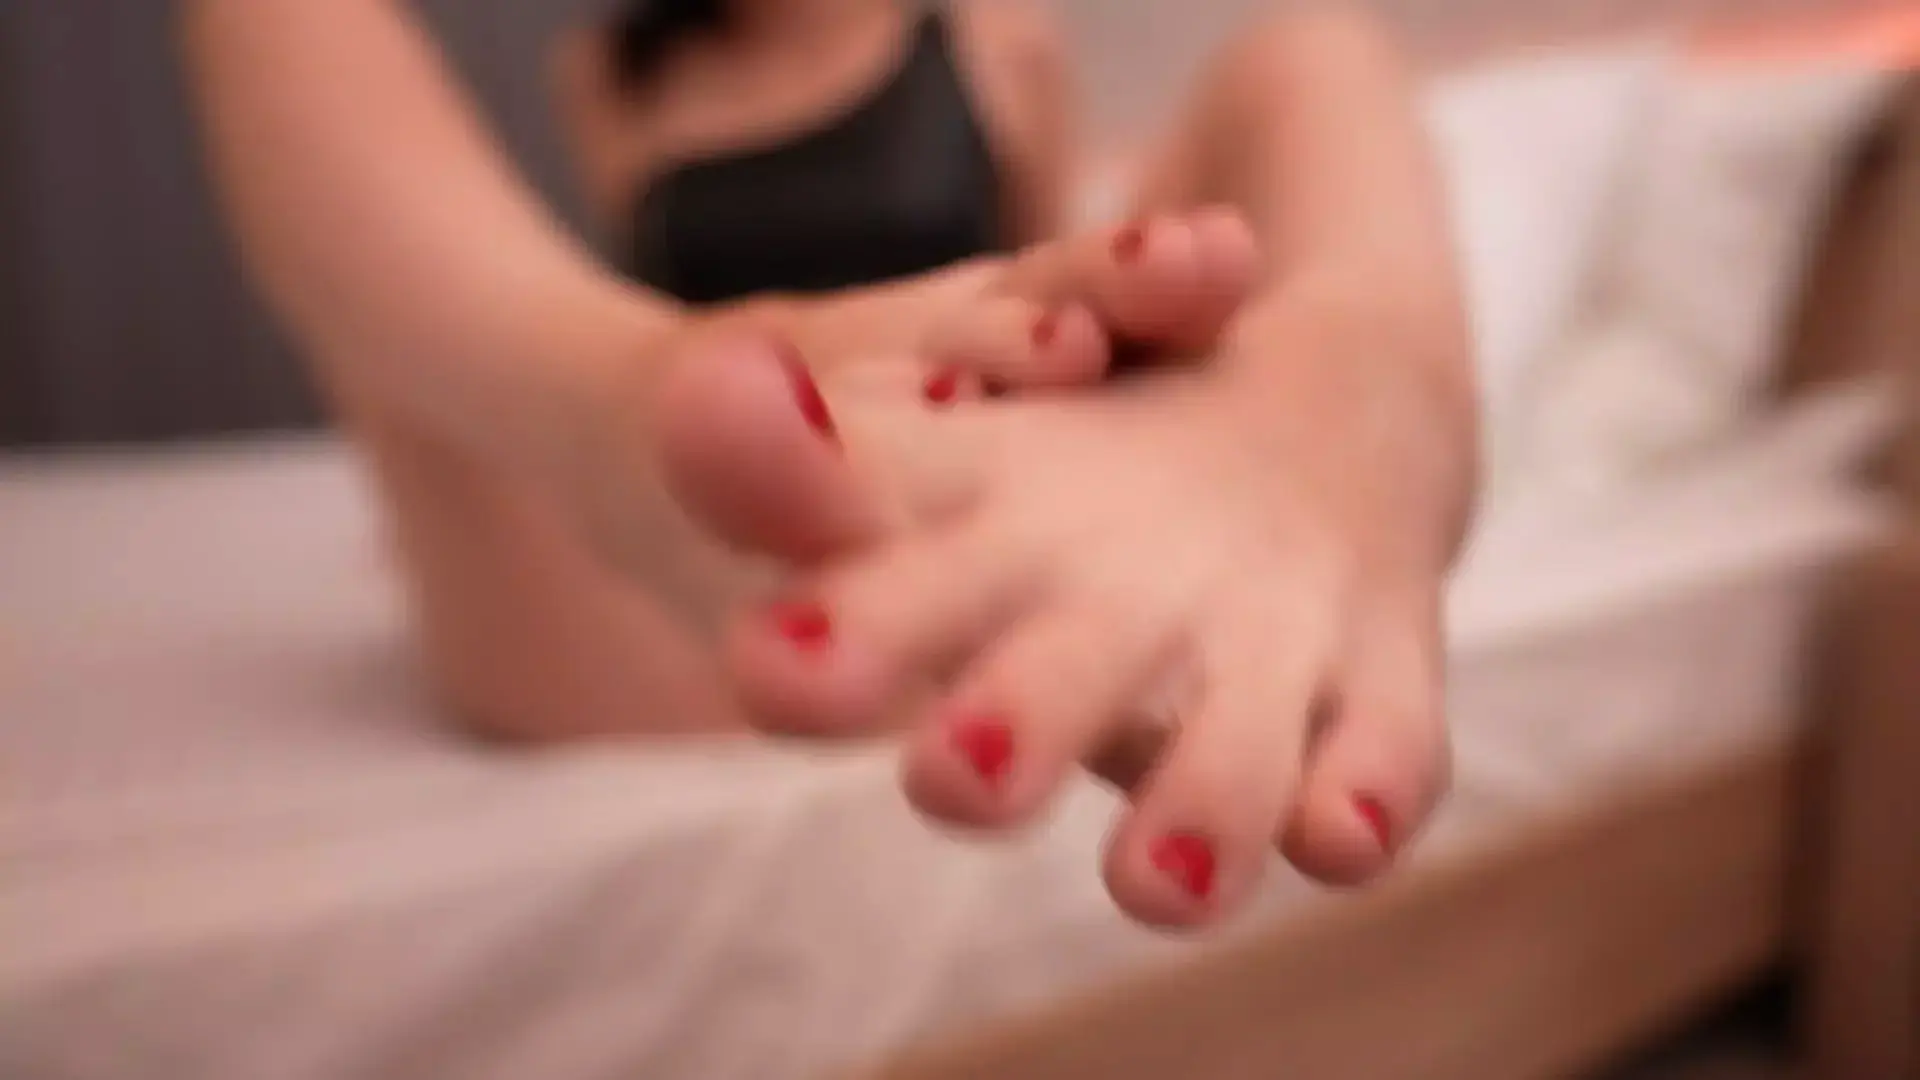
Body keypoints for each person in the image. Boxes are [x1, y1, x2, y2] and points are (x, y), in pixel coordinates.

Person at [180, 0, 1476, 930]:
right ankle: (631, 409)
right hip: (670, 487)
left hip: (957, 459)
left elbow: (1054, 279)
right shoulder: (612, 65)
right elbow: (630, 264)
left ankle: (1369, 395)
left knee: (1311, 46)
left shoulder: (986, 25)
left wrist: (1084, 389)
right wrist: (664, 390)